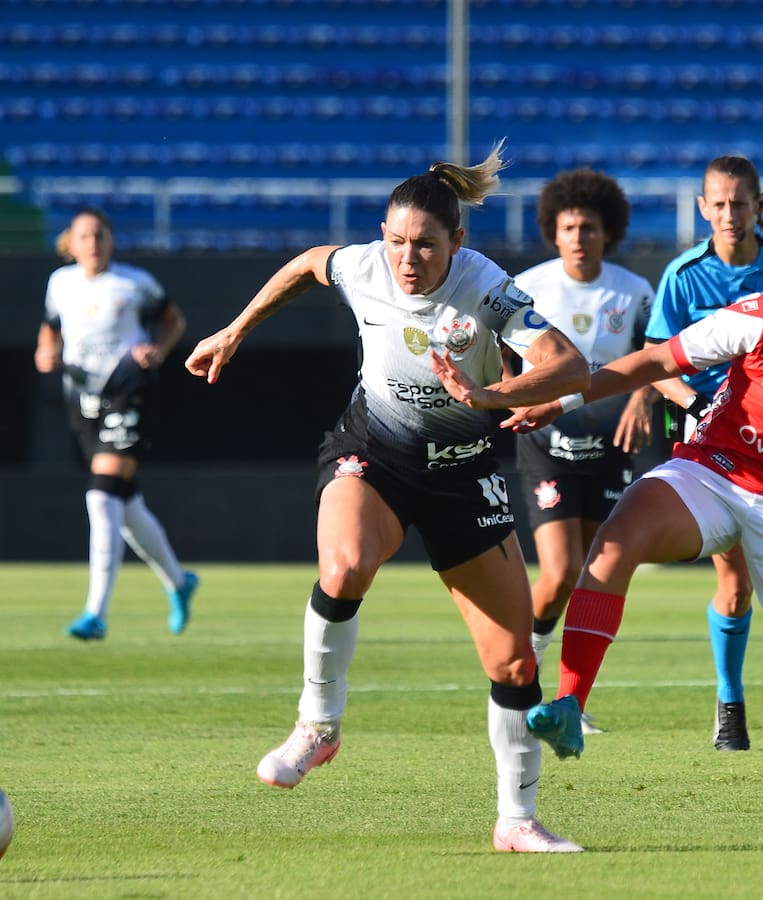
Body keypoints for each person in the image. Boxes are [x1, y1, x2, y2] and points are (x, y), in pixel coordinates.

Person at [436, 233, 763, 850]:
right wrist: (563, 396)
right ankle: (569, 707)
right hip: (712, 473)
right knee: (616, 540)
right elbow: (657, 361)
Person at [184, 143, 591, 853]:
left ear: (457, 242)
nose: (408, 260)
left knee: (516, 662)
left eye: (426, 246)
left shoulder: (488, 289)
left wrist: (495, 395)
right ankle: (318, 724)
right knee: (344, 567)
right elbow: (310, 262)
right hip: (373, 450)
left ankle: (516, 821)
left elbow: (569, 364)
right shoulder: (365, 265)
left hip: (463, 473)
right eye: (397, 242)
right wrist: (235, 330)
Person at [647, 155, 763, 751]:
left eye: (739, 203)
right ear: (701, 208)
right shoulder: (684, 275)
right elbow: (658, 362)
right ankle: (730, 706)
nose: (729, 213)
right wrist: (694, 404)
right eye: (717, 203)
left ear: (759, 205)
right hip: (712, 444)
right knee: (735, 579)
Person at [511, 169, 657, 735]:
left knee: (593, 577)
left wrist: (643, 397)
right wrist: (506, 396)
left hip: (609, 448)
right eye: (568, 226)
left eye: (588, 227)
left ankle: (570, 700)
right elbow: (500, 347)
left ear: (607, 232)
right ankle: (522, 673)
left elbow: (654, 354)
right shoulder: (529, 287)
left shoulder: (633, 291)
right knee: (561, 570)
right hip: (547, 446)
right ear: (553, 230)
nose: (578, 236)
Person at [33, 207, 200, 641]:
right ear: (69, 243)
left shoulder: (134, 283)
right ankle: (180, 583)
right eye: (84, 236)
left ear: (111, 241)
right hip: (83, 398)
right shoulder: (60, 284)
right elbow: (51, 331)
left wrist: (158, 352)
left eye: (100, 235)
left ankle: (96, 613)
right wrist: (44, 352)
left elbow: (173, 320)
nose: (93, 243)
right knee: (124, 507)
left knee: (102, 494)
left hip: (130, 389)